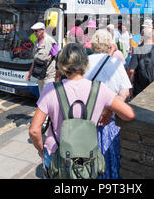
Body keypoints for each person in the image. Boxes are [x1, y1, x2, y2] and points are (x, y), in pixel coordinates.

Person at [29, 43, 136, 178]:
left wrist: (41, 150)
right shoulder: (99, 89)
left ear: (62, 64)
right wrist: (109, 110)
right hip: (87, 158)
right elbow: (130, 114)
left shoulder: (51, 89)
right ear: (85, 63)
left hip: (56, 154)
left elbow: (34, 130)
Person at [84, 30, 132, 179]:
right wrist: (110, 109)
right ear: (110, 44)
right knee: (111, 158)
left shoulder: (84, 62)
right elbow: (125, 92)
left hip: (88, 120)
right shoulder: (116, 63)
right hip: (110, 121)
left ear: (92, 44)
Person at [128, 21, 154, 97]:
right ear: (153, 37)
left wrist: (130, 86)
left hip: (140, 89)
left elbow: (131, 71)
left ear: (142, 36)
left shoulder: (137, 50)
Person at [26, 22, 59, 94]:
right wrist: (29, 73)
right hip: (40, 75)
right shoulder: (36, 42)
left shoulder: (51, 42)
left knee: (47, 97)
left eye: (36, 31)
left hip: (49, 76)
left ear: (42, 30)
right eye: (33, 31)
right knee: (42, 97)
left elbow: (58, 59)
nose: (34, 33)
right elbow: (35, 60)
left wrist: (57, 77)